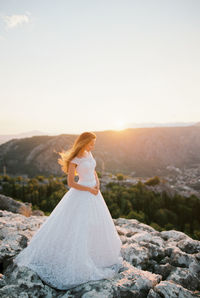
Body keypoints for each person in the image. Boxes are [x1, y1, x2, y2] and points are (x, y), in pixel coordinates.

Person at [13, 131, 123, 290]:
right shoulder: (75, 159)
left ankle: (97, 253)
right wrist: (89, 189)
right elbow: (71, 182)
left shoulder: (89, 153)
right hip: (82, 194)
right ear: (83, 142)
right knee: (79, 225)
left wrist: (97, 184)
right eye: (91, 143)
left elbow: (94, 171)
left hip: (94, 192)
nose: (93, 145)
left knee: (96, 224)